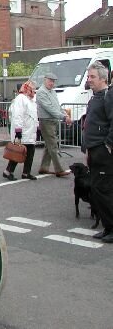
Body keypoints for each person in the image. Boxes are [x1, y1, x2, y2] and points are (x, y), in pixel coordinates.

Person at [81, 61, 113, 243]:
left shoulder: (109, 96)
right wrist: (87, 150)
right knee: (97, 190)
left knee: (105, 190)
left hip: (103, 151)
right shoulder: (95, 97)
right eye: (89, 76)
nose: (89, 80)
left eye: (92, 77)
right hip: (94, 151)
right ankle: (108, 227)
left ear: (102, 78)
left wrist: (108, 145)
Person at [36, 72, 72, 176]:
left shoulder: (52, 92)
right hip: (46, 121)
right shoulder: (41, 92)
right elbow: (49, 108)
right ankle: (59, 170)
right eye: (50, 81)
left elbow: (57, 106)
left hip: (53, 121)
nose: (52, 83)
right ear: (45, 80)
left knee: (49, 145)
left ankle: (44, 168)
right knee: (53, 145)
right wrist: (64, 117)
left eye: (53, 81)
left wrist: (64, 114)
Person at [3, 80, 38, 181]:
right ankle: (8, 171)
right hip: (23, 130)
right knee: (18, 151)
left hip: (30, 130)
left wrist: (37, 127)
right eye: (32, 89)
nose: (34, 91)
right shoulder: (21, 99)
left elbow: (35, 115)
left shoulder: (32, 99)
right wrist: (18, 131)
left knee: (30, 152)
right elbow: (18, 116)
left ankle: (26, 172)